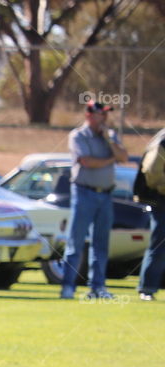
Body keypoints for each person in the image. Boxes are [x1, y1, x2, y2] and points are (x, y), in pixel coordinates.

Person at [59, 99, 128, 300]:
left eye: (106, 114)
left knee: (101, 243)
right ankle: (68, 287)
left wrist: (109, 141)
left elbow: (123, 156)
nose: (105, 117)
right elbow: (87, 162)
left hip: (106, 194)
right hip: (84, 192)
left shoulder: (110, 135)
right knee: (76, 242)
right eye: (101, 114)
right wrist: (110, 160)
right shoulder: (78, 136)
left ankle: (97, 287)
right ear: (89, 114)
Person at [133, 127, 165, 301]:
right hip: (159, 201)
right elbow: (152, 174)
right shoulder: (163, 141)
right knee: (158, 246)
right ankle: (147, 288)